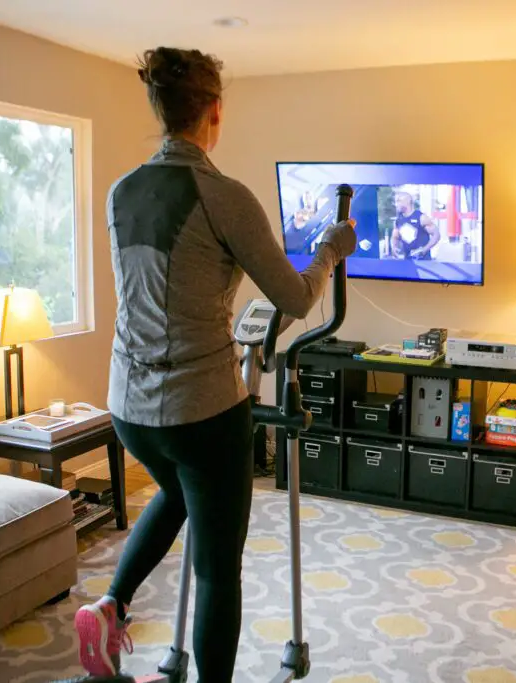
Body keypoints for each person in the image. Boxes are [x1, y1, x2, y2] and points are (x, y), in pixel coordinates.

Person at [73, 47, 357, 682]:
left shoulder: (122, 191)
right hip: (202, 411)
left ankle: (111, 604)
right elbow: (294, 296)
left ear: (158, 107)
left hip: (128, 407)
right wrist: (330, 250)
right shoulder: (224, 195)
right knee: (217, 568)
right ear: (215, 111)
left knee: (174, 491)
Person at [390, 187, 439, 260]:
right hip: (407, 262)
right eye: (395, 202)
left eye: (398, 201)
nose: (396, 204)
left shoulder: (421, 217)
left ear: (407, 201)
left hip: (423, 262)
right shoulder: (398, 220)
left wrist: (424, 250)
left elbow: (436, 235)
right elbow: (394, 237)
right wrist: (394, 247)